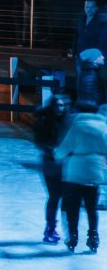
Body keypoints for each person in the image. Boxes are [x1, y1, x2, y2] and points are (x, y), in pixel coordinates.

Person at [56, 101, 107, 253]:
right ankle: (93, 237)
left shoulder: (77, 126)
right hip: (93, 170)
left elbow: (64, 148)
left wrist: (57, 155)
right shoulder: (103, 127)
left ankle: (73, 236)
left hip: (75, 173)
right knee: (92, 208)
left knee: (74, 208)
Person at [35, 92, 73, 244]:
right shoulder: (44, 121)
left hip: (65, 165)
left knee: (66, 198)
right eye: (57, 105)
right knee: (54, 197)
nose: (60, 108)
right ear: (52, 106)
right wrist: (52, 150)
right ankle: (50, 228)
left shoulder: (68, 123)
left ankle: (68, 229)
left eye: (62, 105)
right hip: (50, 164)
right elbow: (39, 141)